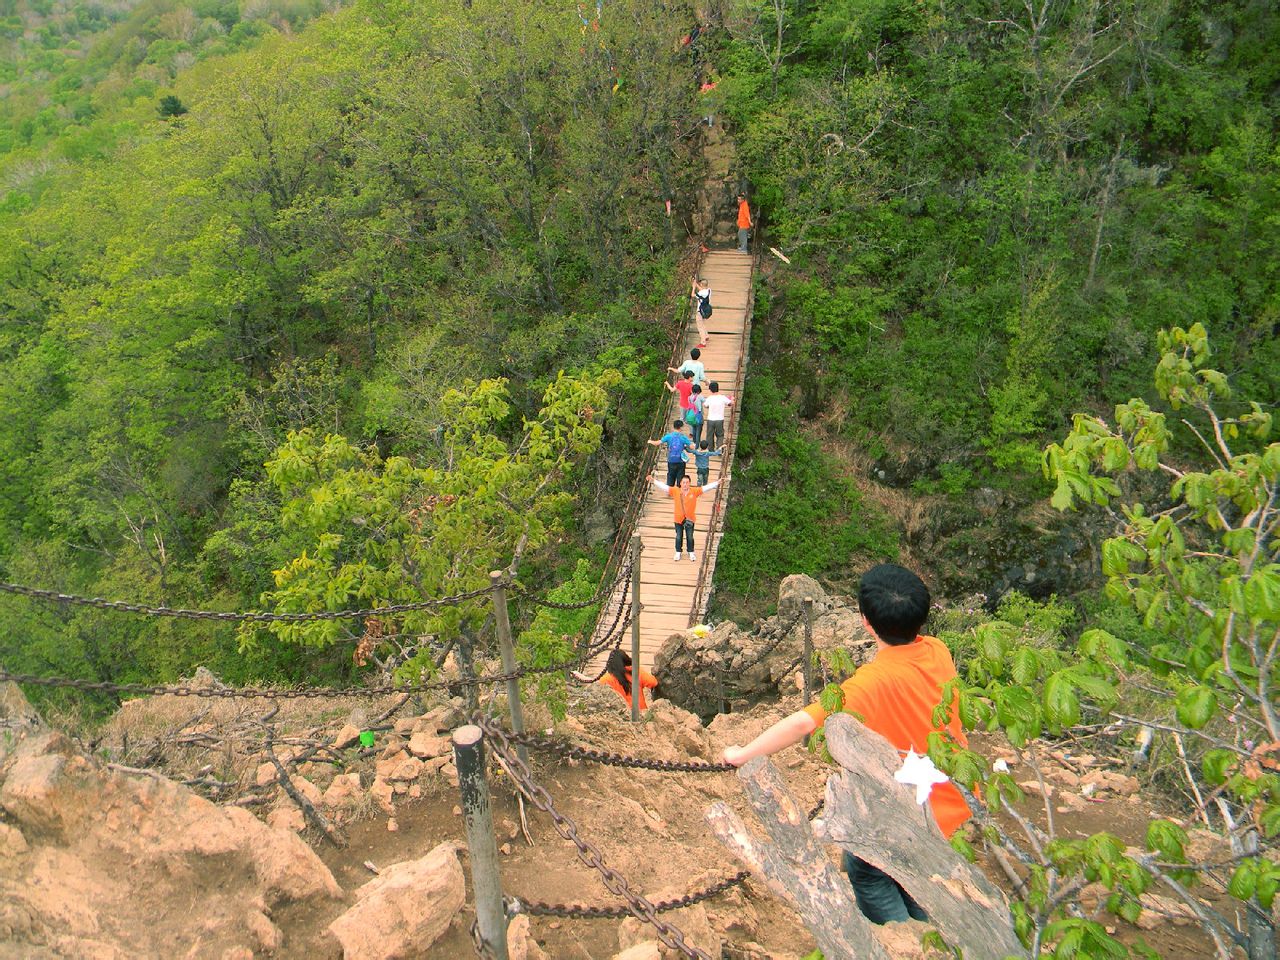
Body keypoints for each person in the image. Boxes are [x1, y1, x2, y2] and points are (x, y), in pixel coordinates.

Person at [721, 564, 970, 925]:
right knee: (925, 882)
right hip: (950, 804)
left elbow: (804, 722)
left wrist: (741, 754)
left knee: (868, 870)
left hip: (903, 813)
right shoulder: (938, 650)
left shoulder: (870, 683)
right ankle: (930, 931)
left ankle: (904, 940)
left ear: (866, 621)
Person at [653, 473, 724, 562]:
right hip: (678, 519)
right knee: (679, 536)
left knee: (690, 536)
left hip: (690, 519)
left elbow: (706, 488)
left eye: (687, 482)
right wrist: (653, 481)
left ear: (689, 483)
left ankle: (691, 552)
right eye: (683, 482)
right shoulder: (675, 491)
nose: (685, 484)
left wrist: (717, 483)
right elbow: (664, 487)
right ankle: (678, 552)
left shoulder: (694, 491)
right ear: (680, 484)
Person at [574, 650, 658, 712]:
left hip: (621, 713)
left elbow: (596, 686)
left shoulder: (607, 679)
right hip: (640, 711)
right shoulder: (636, 672)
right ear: (626, 660)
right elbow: (653, 682)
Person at [648, 419, 693, 486]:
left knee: (671, 475)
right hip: (680, 461)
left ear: (674, 427)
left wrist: (650, 441)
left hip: (671, 460)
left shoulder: (668, 436)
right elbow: (692, 447)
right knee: (680, 477)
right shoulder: (683, 437)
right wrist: (687, 446)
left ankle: (670, 489)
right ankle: (679, 490)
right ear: (680, 427)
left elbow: (657, 443)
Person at [702, 381, 733, 450]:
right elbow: (730, 403)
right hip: (720, 419)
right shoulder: (722, 397)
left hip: (710, 419)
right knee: (720, 435)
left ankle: (710, 449)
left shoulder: (710, 398)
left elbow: (705, 405)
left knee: (709, 435)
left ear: (710, 390)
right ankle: (719, 449)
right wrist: (732, 399)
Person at [691, 277, 711, 346]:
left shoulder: (701, 292)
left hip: (700, 311)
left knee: (700, 326)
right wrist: (695, 284)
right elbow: (701, 290)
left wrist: (693, 287)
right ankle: (706, 336)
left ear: (702, 285)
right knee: (703, 323)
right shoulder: (708, 290)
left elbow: (692, 295)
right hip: (705, 310)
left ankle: (703, 342)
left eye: (700, 284)